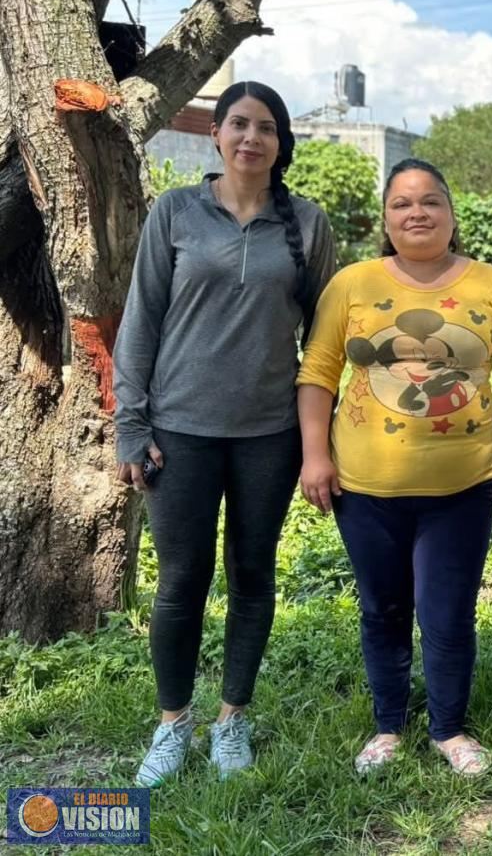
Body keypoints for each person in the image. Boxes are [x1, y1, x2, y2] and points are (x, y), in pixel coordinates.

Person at [113, 81, 336, 785]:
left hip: (269, 434)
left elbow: (326, 337)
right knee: (181, 581)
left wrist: (319, 437)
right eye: (239, 124)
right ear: (216, 133)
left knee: (252, 575)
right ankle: (173, 722)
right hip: (179, 431)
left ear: (280, 141)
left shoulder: (304, 223)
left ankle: (231, 720)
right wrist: (131, 423)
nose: (251, 138)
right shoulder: (176, 212)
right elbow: (140, 321)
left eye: (265, 127)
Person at [296, 158, 492, 777]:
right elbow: (318, 372)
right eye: (402, 204)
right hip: (364, 487)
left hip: (462, 488)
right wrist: (315, 455)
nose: (417, 213)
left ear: (452, 214)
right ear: (386, 219)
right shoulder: (351, 284)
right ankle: (388, 727)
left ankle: (449, 730)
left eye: (430, 201)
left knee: (448, 612)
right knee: (382, 609)